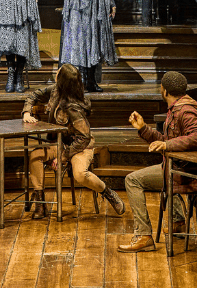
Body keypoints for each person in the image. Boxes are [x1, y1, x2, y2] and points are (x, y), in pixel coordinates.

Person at [117, 70, 197, 253]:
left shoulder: (185, 110)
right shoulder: (177, 108)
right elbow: (165, 140)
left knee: (132, 180)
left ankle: (144, 235)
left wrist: (167, 144)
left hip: (184, 172)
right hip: (175, 167)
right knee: (158, 170)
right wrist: (143, 129)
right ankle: (178, 221)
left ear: (164, 90)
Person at [22, 64, 125, 218]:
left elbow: (83, 138)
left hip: (79, 147)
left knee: (80, 174)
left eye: (59, 72)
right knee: (36, 156)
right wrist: (26, 112)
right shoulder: (56, 90)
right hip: (58, 143)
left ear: (62, 80)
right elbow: (34, 95)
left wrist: (63, 157)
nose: (56, 73)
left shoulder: (74, 108)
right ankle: (40, 203)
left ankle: (107, 192)